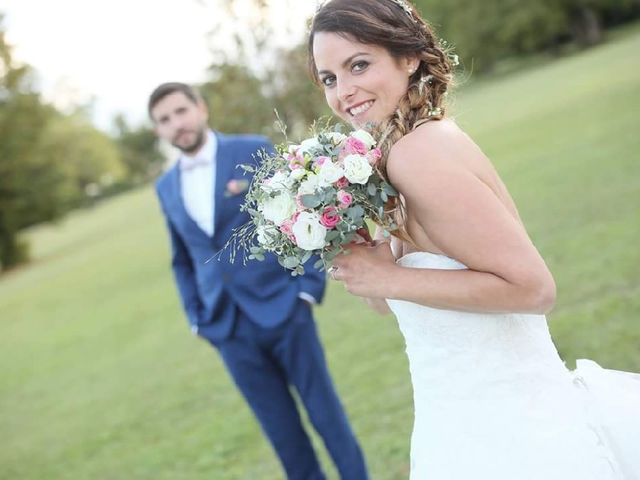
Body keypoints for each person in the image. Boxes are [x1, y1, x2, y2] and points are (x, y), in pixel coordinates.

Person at [308, 1, 640, 479]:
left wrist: (387, 277)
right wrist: (366, 256)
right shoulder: (397, 154)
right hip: (464, 419)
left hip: (509, 432)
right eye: (329, 78)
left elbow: (534, 288)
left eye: (359, 64)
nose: (344, 92)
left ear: (408, 58)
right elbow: (393, 300)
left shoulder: (417, 154)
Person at [150, 82, 368, 480]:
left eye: (181, 111)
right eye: (164, 120)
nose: (176, 124)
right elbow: (181, 260)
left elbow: (301, 213)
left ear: (201, 109)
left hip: (284, 308)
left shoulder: (250, 150)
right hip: (227, 327)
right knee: (282, 434)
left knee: (325, 414)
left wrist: (306, 289)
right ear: (158, 131)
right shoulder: (165, 187)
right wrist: (197, 319)